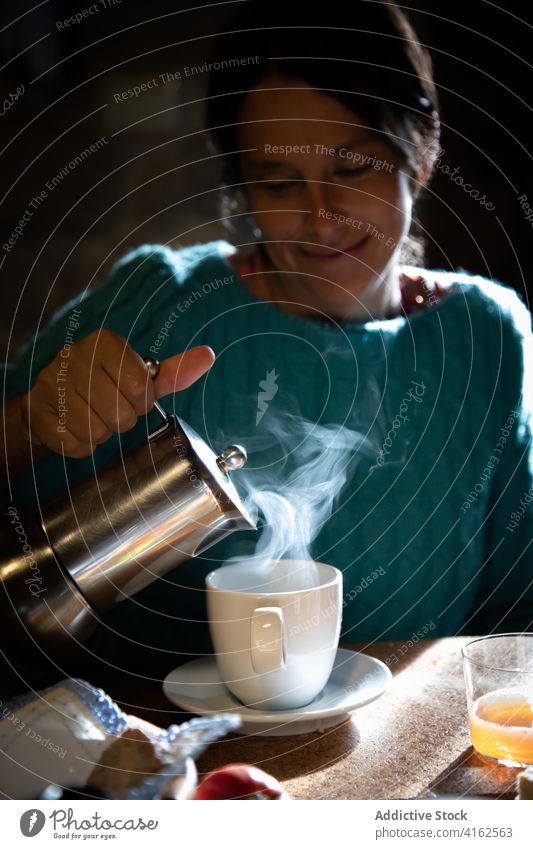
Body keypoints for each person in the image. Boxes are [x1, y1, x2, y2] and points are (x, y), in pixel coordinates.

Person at [1, 0, 532, 674]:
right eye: (278, 182)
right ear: (242, 190)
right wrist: (28, 421)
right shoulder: (157, 302)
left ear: (420, 154)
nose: (320, 217)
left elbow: (517, 627)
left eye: (351, 170)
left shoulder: (485, 338)